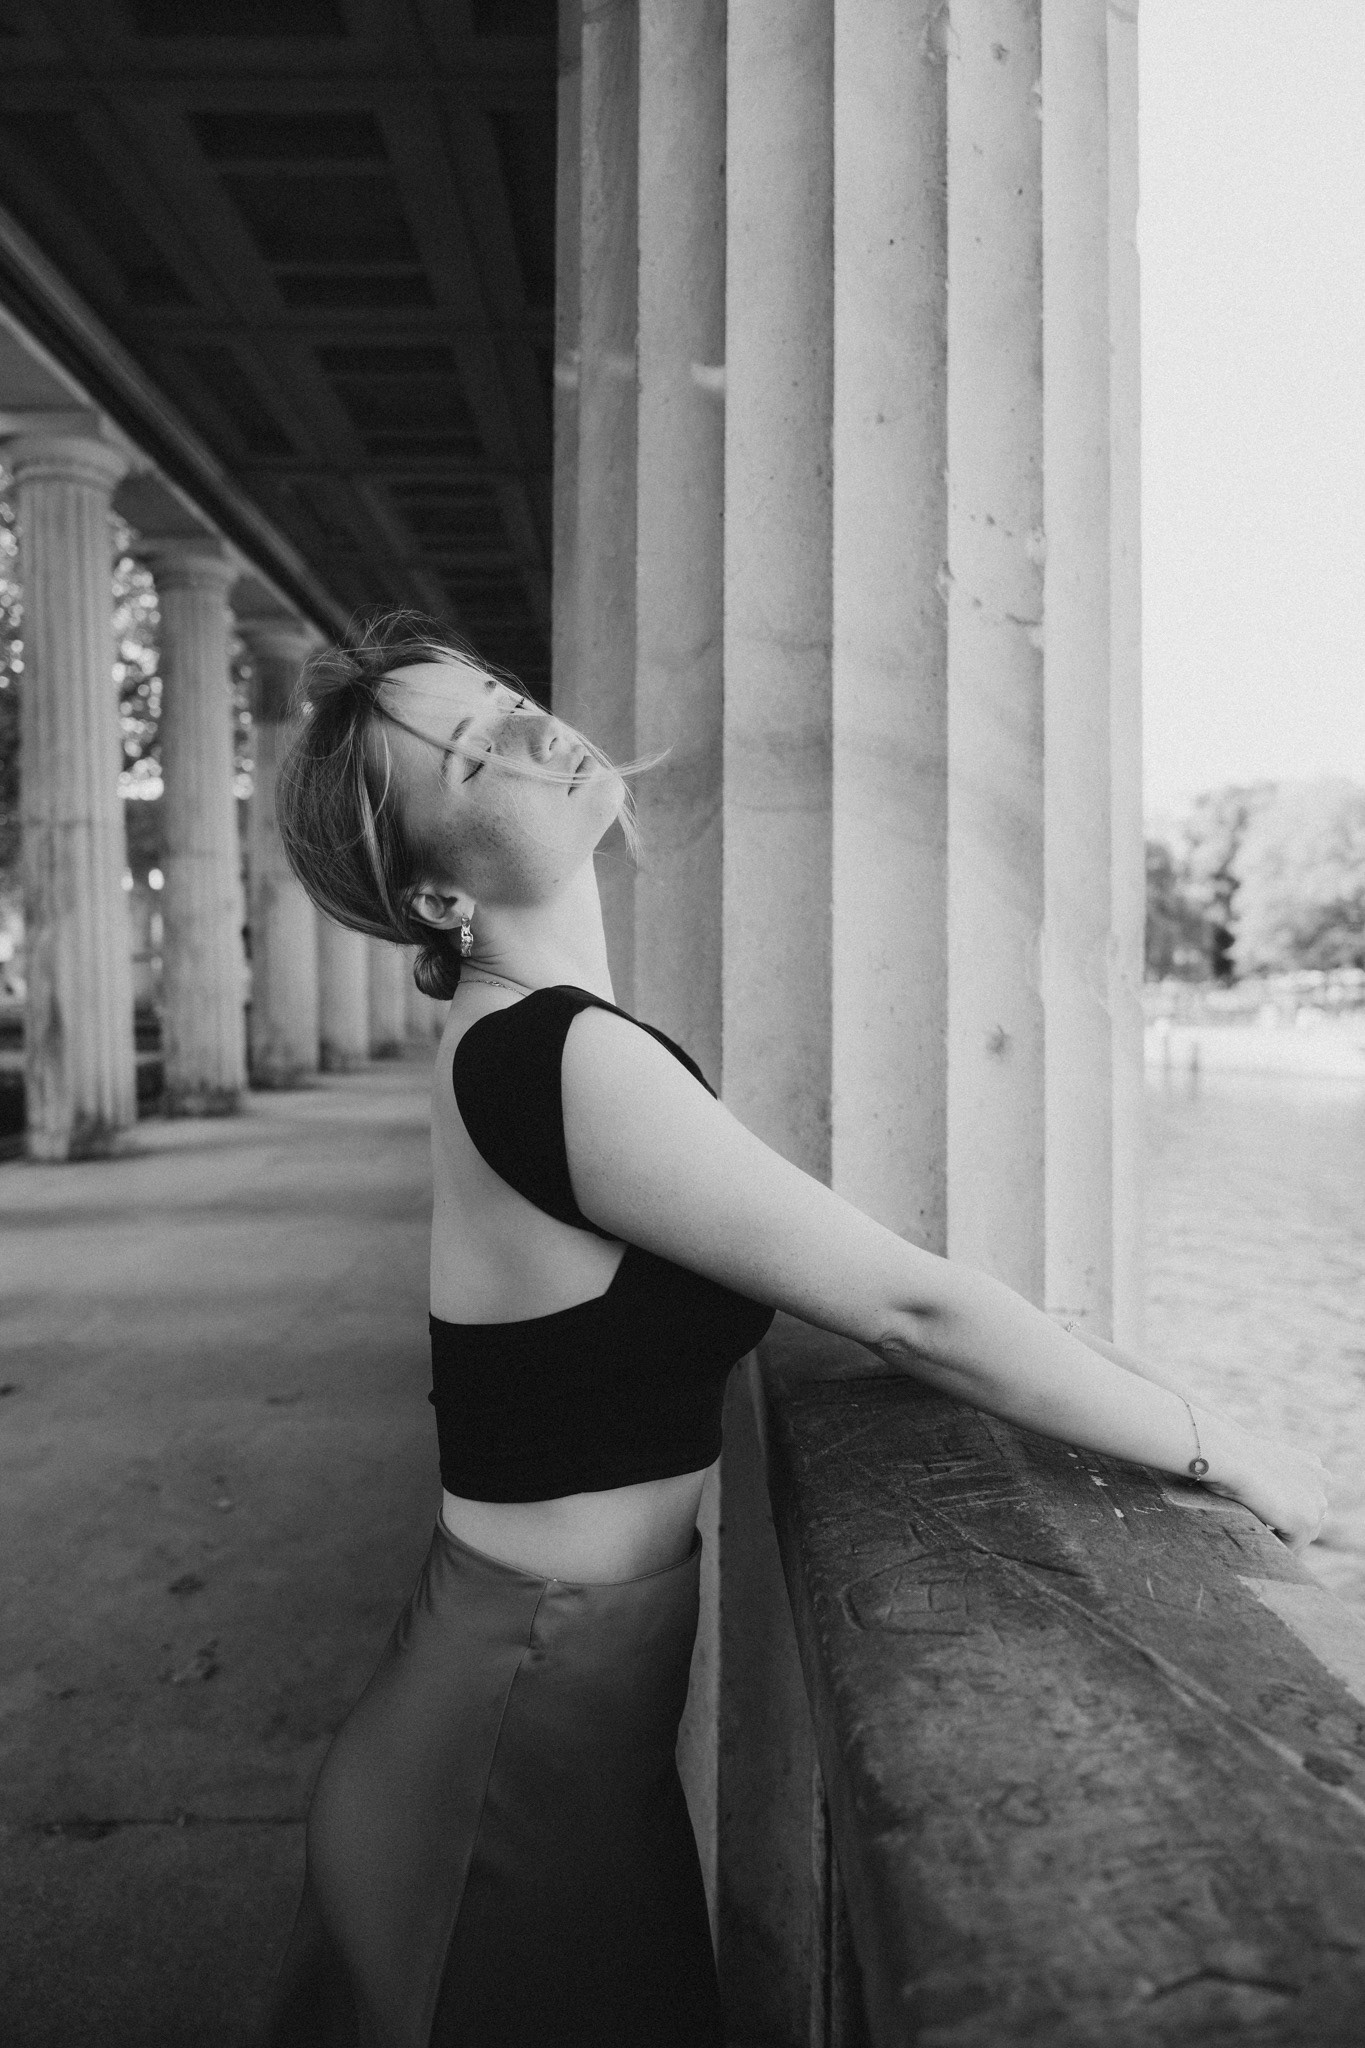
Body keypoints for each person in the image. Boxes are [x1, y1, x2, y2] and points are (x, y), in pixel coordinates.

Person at [262, 613, 1327, 2047]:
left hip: (545, 1702)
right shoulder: (558, 1055)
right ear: (437, 897)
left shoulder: (544, 1040)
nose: (527, 728)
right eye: (468, 754)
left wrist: (1119, 1370)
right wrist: (1220, 1448)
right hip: (511, 1739)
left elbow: (871, 1269)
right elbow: (908, 1308)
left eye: (503, 695)